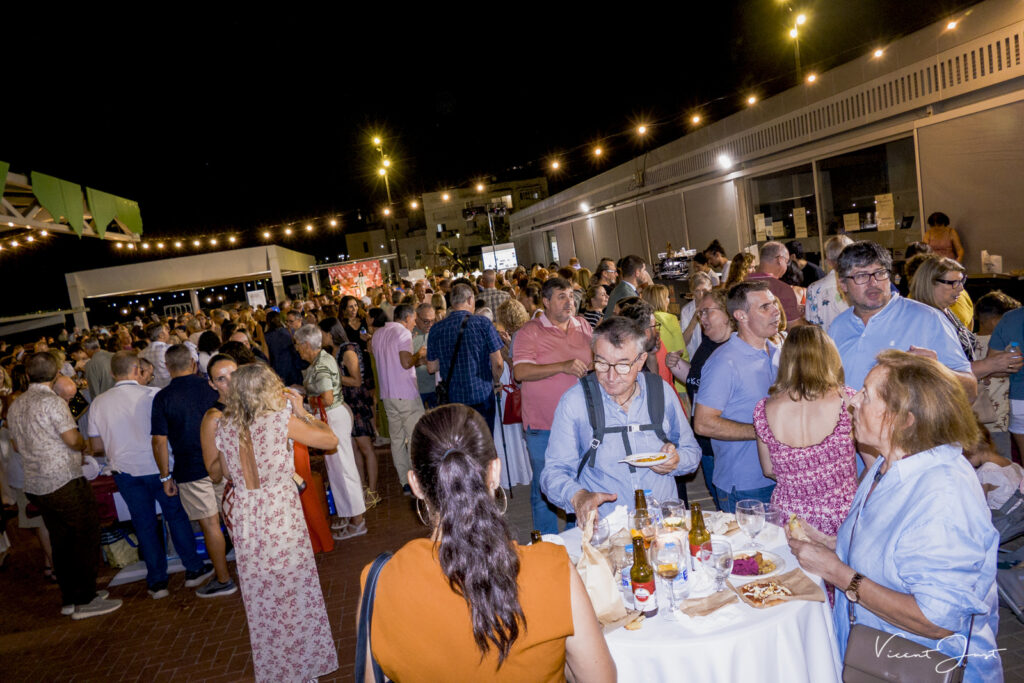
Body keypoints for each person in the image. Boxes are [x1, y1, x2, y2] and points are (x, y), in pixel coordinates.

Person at [360, 404, 616, 682]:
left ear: (416, 484)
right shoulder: (553, 569)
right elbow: (601, 678)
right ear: (494, 472)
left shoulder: (379, 581)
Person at [788, 351, 1001, 682]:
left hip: (919, 667)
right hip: (873, 658)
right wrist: (830, 544)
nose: (853, 402)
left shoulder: (943, 496)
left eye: (867, 395)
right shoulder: (888, 466)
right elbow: (893, 552)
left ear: (905, 419)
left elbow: (936, 620)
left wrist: (838, 573)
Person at [213, 363, 339, 683]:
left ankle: (280, 672)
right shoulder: (280, 420)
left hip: (246, 515)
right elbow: (330, 440)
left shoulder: (225, 428)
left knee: (263, 599)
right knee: (292, 592)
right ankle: (301, 669)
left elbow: (225, 473)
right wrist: (302, 411)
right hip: (278, 513)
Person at [541, 316, 701, 522]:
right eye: (601, 363)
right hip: (608, 528)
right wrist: (577, 496)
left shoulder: (661, 392)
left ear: (641, 360)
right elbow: (553, 472)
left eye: (623, 365)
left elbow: (692, 452)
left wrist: (676, 461)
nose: (611, 376)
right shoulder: (575, 401)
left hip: (663, 526)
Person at [7, 352, 122, 619]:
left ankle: (70, 596)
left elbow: (15, 445)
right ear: (56, 373)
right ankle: (85, 599)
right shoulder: (53, 403)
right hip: (63, 479)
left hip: (35, 482)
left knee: (61, 540)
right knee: (84, 535)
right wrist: (83, 445)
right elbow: (71, 439)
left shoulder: (16, 404)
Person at [88, 351, 208, 599]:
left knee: (143, 525)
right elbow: (165, 436)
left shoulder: (99, 402)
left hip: (125, 471)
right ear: (137, 370)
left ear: (112, 374)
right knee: (176, 517)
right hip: (160, 467)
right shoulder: (153, 395)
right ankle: (193, 568)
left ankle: (157, 582)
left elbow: (96, 446)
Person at [827, 241, 976, 400]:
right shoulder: (838, 326)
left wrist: (936, 371)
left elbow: (970, 390)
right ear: (842, 284)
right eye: (861, 276)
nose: (874, 283)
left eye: (880, 273)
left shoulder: (927, 319)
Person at [753, 326, 857, 535]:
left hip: (788, 520)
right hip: (840, 519)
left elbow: (768, 469)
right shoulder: (847, 401)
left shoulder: (764, 408)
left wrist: (798, 478)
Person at [513, 277, 593, 534]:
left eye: (571, 296)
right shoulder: (530, 331)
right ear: (546, 302)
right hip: (543, 426)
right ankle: (549, 547)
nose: (569, 301)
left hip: (581, 424)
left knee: (579, 485)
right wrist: (563, 366)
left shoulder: (583, 326)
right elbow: (520, 371)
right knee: (545, 489)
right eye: (562, 296)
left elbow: (595, 360)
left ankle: (577, 539)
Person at [693, 281, 780, 512]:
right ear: (740, 315)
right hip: (744, 484)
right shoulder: (724, 361)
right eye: (764, 307)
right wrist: (761, 431)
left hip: (782, 477)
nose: (775, 311)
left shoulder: (778, 352)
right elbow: (702, 423)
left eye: (773, 304)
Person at [294, 324, 367, 539]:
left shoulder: (321, 364)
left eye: (298, 345)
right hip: (331, 416)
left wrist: (304, 400)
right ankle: (349, 514)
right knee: (337, 470)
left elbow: (326, 397)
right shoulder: (321, 360)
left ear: (307, 345)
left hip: (332, 416)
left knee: (344, 470)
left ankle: (358, 520)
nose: (297, 349)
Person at [909, 255, 1022, 385]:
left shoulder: (946, 311)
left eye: (962, 281)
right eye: (953, 283)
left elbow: (961, 364)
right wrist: (989, 365)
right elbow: (937, 372)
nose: (961, 288)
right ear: (930, 283)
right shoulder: (922, 318)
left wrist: (994, 367)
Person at [678, 290, 734, 510]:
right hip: (706, 443)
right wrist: (678, 367)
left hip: (725, 446)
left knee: (731, 509)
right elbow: (696, 381)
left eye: (706, 312)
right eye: (700, 313)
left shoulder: (733, 349)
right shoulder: (707, 344)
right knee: (721, 505)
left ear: (727, 313)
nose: (701, 318)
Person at [426, 283, 504, 431]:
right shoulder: (483, 324)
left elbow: (431, 367)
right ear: (469, 300)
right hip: (482, 394)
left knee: (462, 445)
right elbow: (498, 363)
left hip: (453, 398)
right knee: (484, 444)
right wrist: (496, 381)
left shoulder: (436, 328)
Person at [371, 305, 426, 496]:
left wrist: (415, 360)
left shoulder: (378, 334)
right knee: (414, 438)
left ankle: (404, 481)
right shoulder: (403, 333)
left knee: (396, 440)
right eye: (414, 319)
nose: (414, 324)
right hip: (406, 395)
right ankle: (416, 479)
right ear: (407, 317)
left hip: (387, 395)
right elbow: (404, 362)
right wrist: (420, 354)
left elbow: (394, 362)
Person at [975, 291, 1021, 458]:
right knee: (1004, 469)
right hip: (999, 420)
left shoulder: (968, 342)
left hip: (975, 418)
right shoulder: (1004, 349)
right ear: (997, 322)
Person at [746, 241, 804, 328]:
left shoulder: (738, 284)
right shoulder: (783, 289)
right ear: (780, 260)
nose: (787, 266)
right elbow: (793, 329)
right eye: (787, 261)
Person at [805, 234, 854, 330]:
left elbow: (812, 327)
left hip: (826, 343)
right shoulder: (864, 283)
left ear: (828, 261)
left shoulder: (813, 289)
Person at [679, 272, 713, 360]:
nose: (701, 295)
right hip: (694, 358)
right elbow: (683, 343)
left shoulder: (717, 307)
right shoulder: (686, 311)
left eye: (705, 291)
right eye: (697, 291)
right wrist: (694, 320)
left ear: (710, 289)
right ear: (692, 291)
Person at [411, 302, 438, 408]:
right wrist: (417, 360)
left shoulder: (437, 332)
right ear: (417, 318)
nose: (430, 325)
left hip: (436, 388)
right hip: (417, 389)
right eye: (426, 321)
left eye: (432, 321)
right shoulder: (409, 334)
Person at [139, 322, 173, 388]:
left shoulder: (140, 354)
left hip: (152, 394)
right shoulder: (169, 350)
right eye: (166, 329)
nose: (168, 331)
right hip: (170, 389)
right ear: (161, 335)